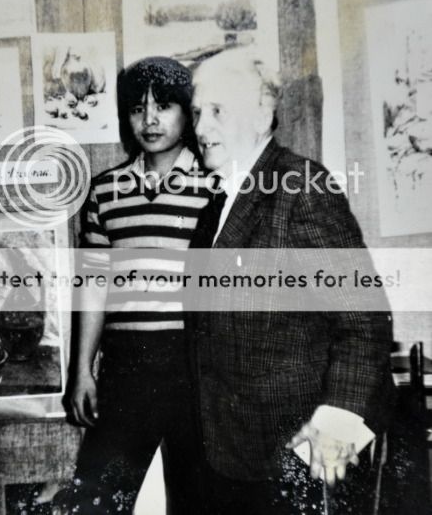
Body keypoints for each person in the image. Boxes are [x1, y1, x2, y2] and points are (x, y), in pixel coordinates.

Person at [188, 45, 395, 514]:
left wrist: (338, 421)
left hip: (304, 456)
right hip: (237, 454)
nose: (200, 128)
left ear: (263, 113)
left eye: (218, 110)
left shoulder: (300, 189)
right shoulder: (218, 206)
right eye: (198, 112)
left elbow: (364, 320)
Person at [64, 57, 212, 514]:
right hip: (126, 368)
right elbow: (93, 285)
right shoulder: (105, 192)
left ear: (187, 111)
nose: (149, 119)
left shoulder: (216, 186)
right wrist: (82, 370)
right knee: (98, 498)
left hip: (197, 366)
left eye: (163, 106)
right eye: (136, 108)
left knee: (198, 500)